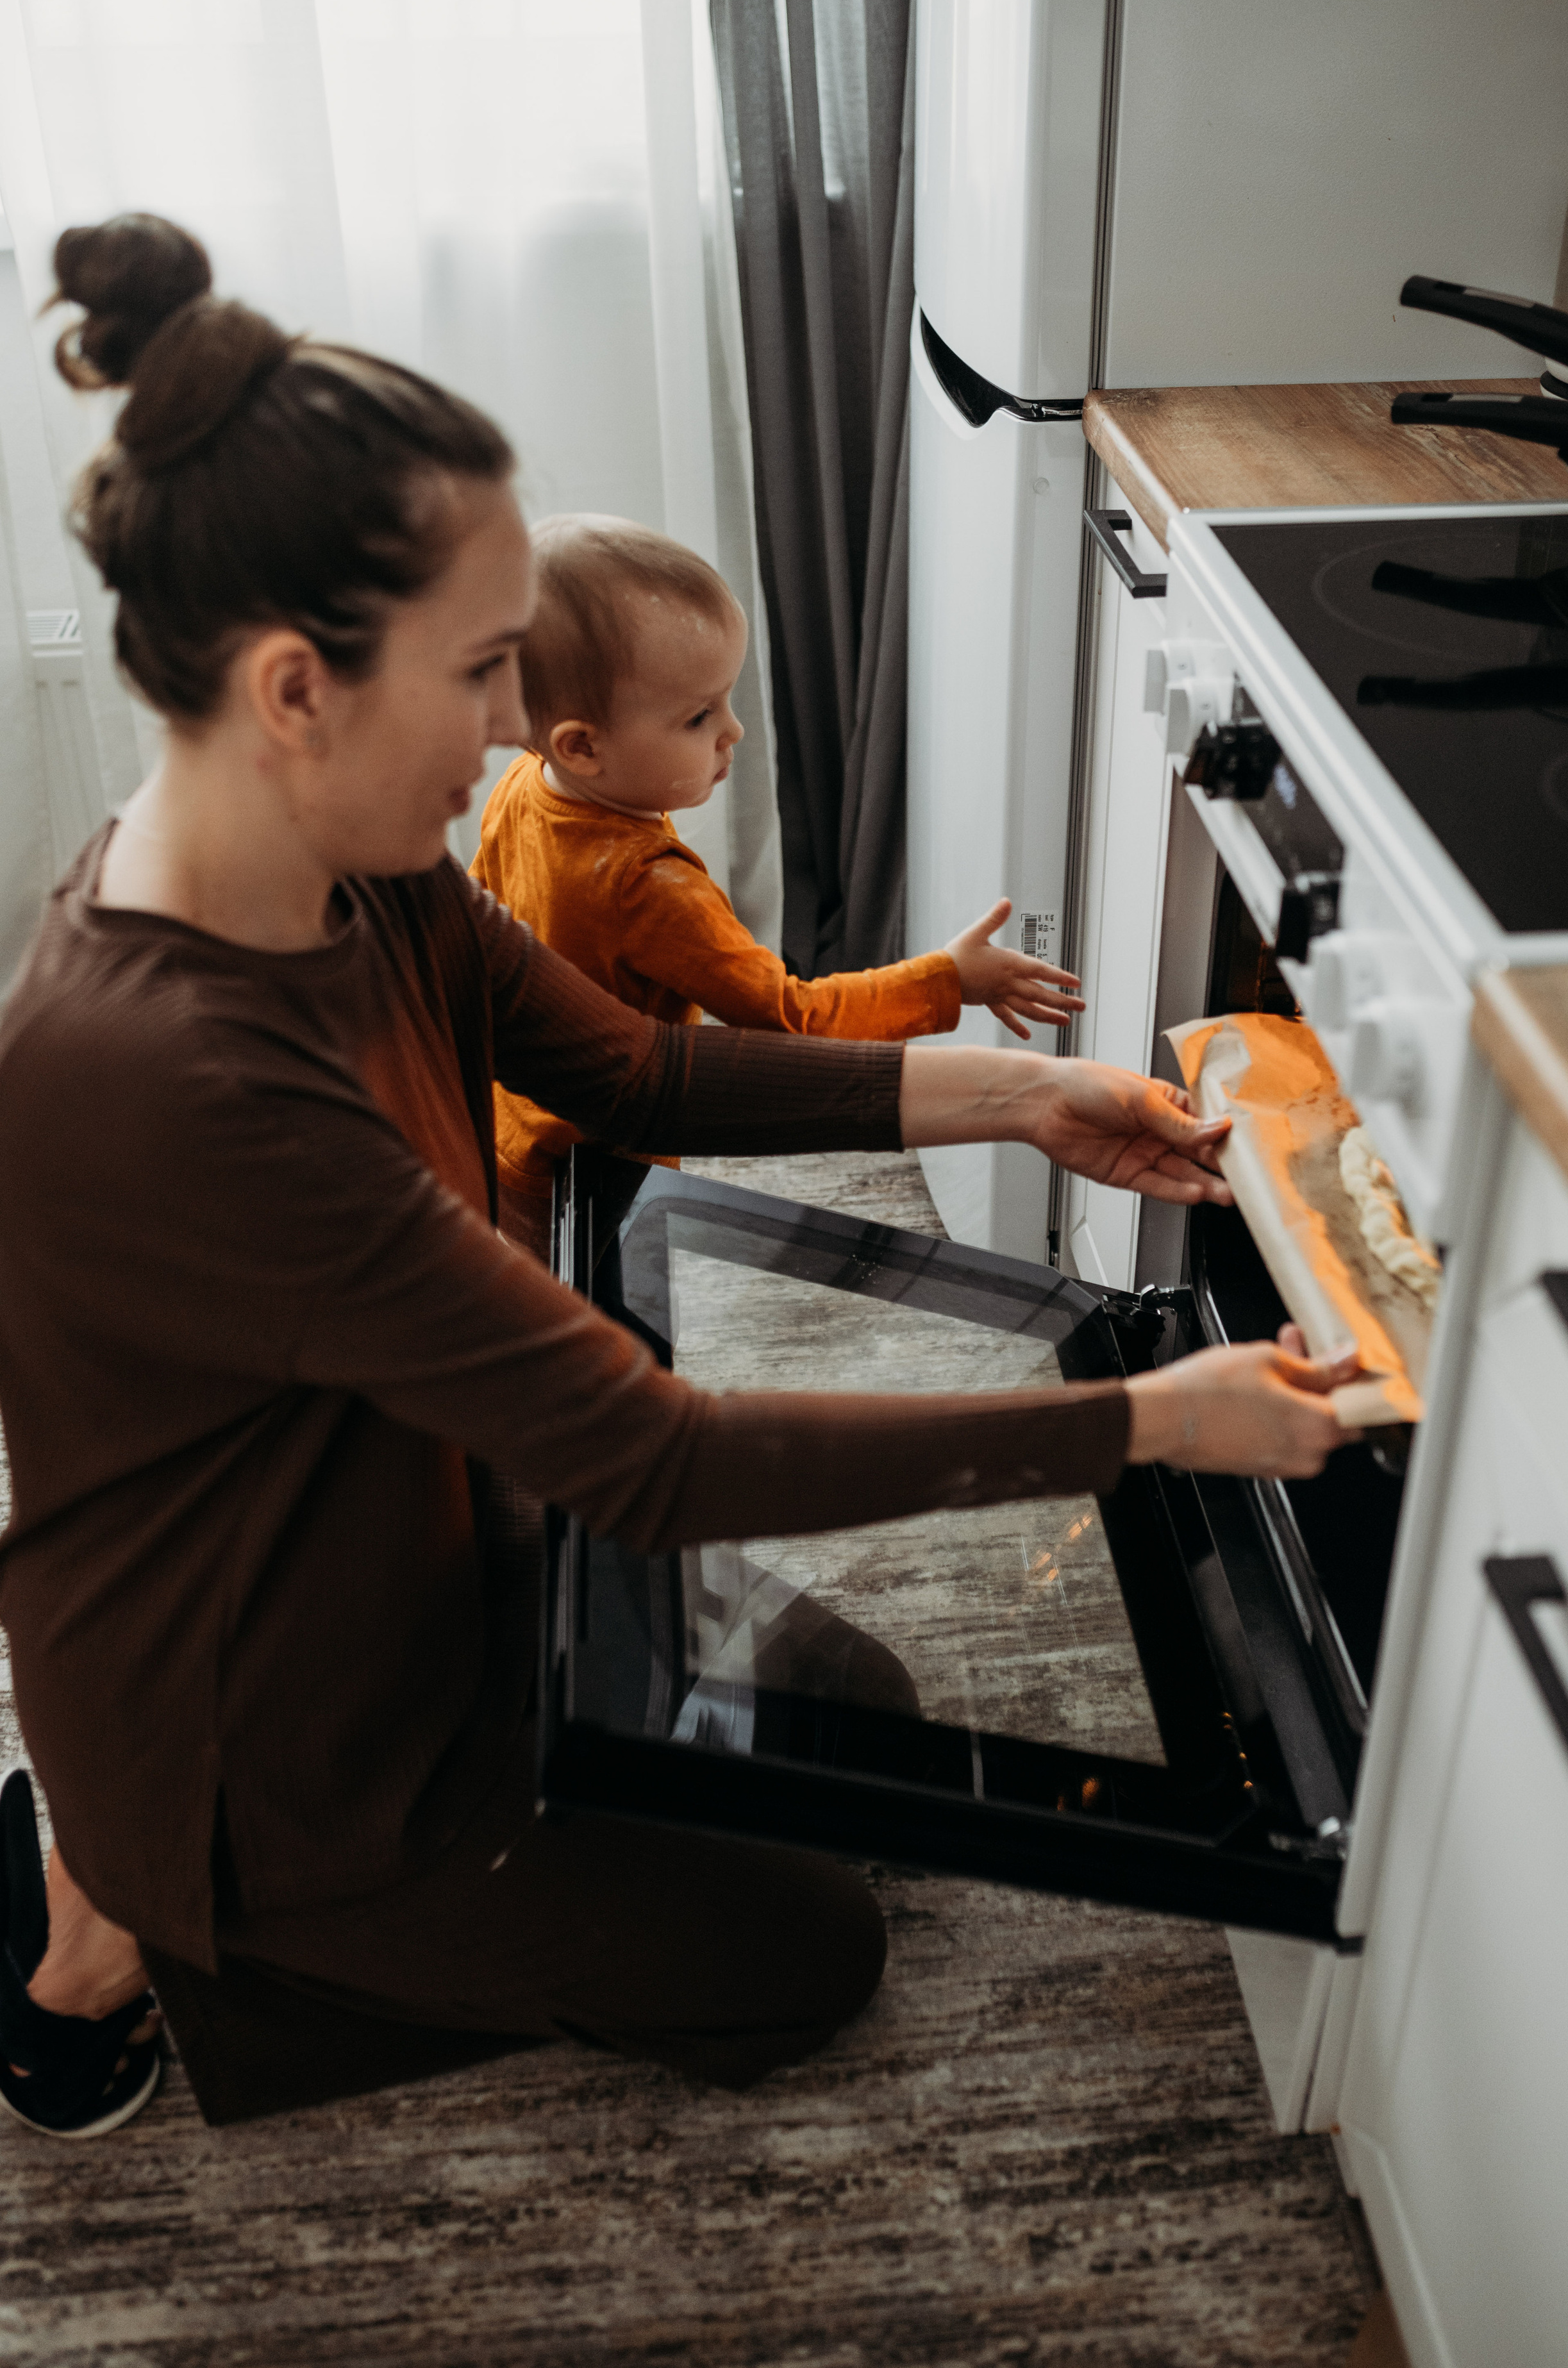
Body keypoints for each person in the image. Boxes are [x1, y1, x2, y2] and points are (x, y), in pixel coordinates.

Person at [0, 213, 1361, 2141]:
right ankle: (121, 1925)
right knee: (803, 1958)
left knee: (859, 1737)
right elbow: (651, 1457)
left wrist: (1016, 1095)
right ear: (296, 688)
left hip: (407, 1550)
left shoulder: (356, 870)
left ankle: (155, 1866)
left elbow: (635, 1069)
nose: (505, 730)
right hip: (270, 1732)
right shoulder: (180, 1086)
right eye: (478, 672)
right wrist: (1148, 1423)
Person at [469, 513, 1081, 1255]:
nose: (734, 732)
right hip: (598, 1163)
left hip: (507, 1127)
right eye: (699, 717)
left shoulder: (524, 786)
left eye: (725, 700)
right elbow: (794, 1021)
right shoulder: (648, 886)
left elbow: (484, 932)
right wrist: (946, 979)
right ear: (583, 746)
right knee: (610, 1331)